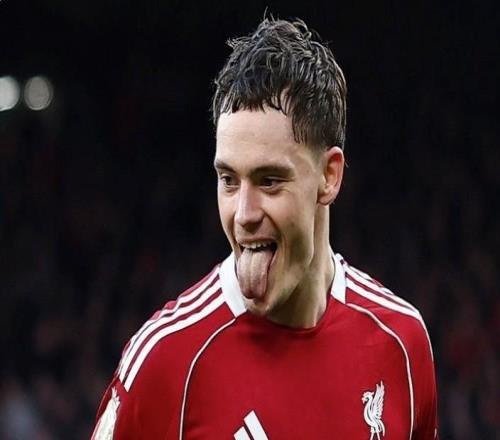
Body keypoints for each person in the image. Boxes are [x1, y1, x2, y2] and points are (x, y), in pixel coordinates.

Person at [92, 17, 438, 439]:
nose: (243, 214)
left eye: (269, 181)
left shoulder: (401, 342)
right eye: (228, 180)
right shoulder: (167, 360)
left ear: (329, 176)